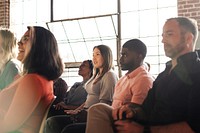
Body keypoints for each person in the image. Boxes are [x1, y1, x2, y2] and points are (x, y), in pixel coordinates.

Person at [92, 17, 200, 133]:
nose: (163, 40)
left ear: (188, 38)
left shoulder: (196, 73)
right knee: (99, 110)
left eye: (169, 34)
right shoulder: (164, 75)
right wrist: (133, 112)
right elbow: (146, 109)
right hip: (145, 126)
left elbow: (194, 127)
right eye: (163, 36)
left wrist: (144, 130)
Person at [0, 26, 63, 133]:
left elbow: (6, 126)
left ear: (39, 46)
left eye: (26, 39)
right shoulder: (36, 79)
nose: (19, 44)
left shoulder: (33, 80)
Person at [84, 39, 154, 133]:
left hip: (123, 123)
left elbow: (136, 113)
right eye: (121, 55)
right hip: (113, 118)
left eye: (125, 55)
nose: (120, 59)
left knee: (97, 109)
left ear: (139, 56)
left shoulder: (143, 79)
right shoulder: (123, 79)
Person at [44, 44, 118, 133]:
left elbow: (105, 103)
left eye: (98, 54)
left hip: (94, 116)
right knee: (51, 121)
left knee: (59, 125)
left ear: (106, 56)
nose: (94, 58)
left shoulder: (109, 75)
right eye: (93, 55)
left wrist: (86, 113)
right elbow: (88, 100)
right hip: (84, 112)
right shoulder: (96, 75)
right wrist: (76, 110)